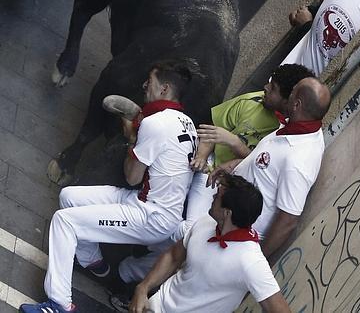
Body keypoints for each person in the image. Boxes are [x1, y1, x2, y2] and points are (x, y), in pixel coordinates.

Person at [114, 64, 314, 295]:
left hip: (235, 203)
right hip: (210, 175)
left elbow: (264, 175)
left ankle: (131, 271)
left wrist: (235, 144)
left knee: (187, 234)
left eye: (274, 87)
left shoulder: (289, 138)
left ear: (290, 102)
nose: (265, 87)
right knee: (180, 227)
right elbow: (211, 131)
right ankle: (141, 249)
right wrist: (201, 155)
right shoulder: (254, 102)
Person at [19, 60, 198, 313]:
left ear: (164, 88)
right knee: (69, 196)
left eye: (151, 81)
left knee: (64, 221)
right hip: (151, 205)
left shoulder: (156, 123)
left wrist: (131, 139)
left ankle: (59, 304)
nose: (145, 85)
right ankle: (94, 262)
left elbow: (132, 177)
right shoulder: (187, 124)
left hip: (151, 217)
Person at [208, 76, 332, 260]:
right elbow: (264, 162)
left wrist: (256, 261)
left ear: (296, 105)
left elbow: (288, 221)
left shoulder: (299, 161)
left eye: (292, 93)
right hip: (223, 212)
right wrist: (234, 166)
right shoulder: (296, 126)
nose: (287, 96)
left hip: (234, 237)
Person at [129, 173, 290, 313]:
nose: (212, 197)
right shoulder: (206, 222)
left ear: (227, 213)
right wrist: (143, 288)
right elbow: (173, 256)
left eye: (217, 197)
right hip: (155, 305)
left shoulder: (251, 261)